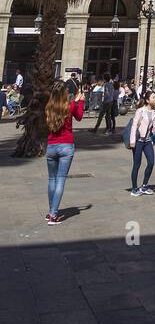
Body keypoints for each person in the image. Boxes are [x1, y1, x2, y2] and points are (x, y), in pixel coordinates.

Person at [44, 79, 85, 223]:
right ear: (64, 93)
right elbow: (79, 117)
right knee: (60, 180)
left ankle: (51, 211)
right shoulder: (70, 105)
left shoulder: (48, 107)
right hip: (66, 146)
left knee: (52, 179)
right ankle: (54, 215)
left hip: (51, 146)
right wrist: (80, 101)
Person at [130, 91, 155, 197]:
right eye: (153, 97)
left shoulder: (154, 111)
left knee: (151, 162)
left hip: (147, 141)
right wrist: (132, 141)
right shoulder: (140, 111)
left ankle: (144, 185)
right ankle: (134, 188)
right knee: (137, 165)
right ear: (147, 100)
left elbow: (154, 126)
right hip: (138, 141)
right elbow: (134, 126)